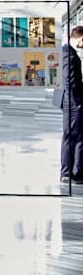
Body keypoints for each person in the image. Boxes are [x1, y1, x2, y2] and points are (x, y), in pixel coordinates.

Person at [52, 26, 83, 183]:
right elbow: (69, 81)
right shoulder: (69, 55)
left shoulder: (66, 51)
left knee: (77, 136)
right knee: (70, 136)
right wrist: (78, 103)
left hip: (69, 100)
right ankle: (67, 173)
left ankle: (76, 171)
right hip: (72, 102)